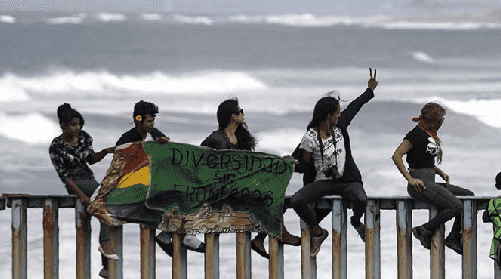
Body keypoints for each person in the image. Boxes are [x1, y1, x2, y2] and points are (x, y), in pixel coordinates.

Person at [291, 71, 377, 254]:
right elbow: (305, 165)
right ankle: (318, 232)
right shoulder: (310, 138)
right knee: (297, 200)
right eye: (336, 113)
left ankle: (356, 221)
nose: (339, 115)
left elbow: (355, 107)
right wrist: (291, 162)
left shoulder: (340, 127)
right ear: (327, 115)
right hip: (322, 182)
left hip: (346, 180)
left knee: (361, 198)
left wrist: (369, 91)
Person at [202, 98, 300, 257]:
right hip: (223, 194)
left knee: (274, 192)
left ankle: (262, 238)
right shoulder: (215, 139)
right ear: (233, 116)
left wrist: (279, 162)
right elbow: (200, 161)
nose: (243, 114)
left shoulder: (241, 140)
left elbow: (254, 166)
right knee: (270, 194)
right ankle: (273, 235)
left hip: (239, 189)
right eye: (240, 111)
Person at [117, 100, 205, 256]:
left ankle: (169, 235)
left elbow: (164, 146)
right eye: (149, 121)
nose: (152, 124)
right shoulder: (127, 139)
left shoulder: (152, 132)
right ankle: (182, 235)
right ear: (138, 119)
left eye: (153, 120)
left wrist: (164, 141)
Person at [392, 102, 474, 255]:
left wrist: (438, 171)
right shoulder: (415, 135)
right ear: (431, 121)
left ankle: (454, 237)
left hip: (430, 181)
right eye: (439, 122)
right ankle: (424, 229)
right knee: (456, 206)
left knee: (468, 195)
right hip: (420, 184)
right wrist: (410, 179)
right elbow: (396, 156)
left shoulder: (429, 134)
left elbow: (422, 160)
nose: (441, 124)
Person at [50, 103, 120, 279]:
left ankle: (106, 263)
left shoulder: (84, 138)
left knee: (107, 209)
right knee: (107, 203)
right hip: (75, 183)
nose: (77, 128)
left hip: (88, 178)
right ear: (63, 125)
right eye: (73, 124)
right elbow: (64, 176)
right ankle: (105, 255)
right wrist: (81, 196)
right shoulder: (56, 147)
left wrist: (106, 151)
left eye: (79, 124)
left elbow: (91, 159)